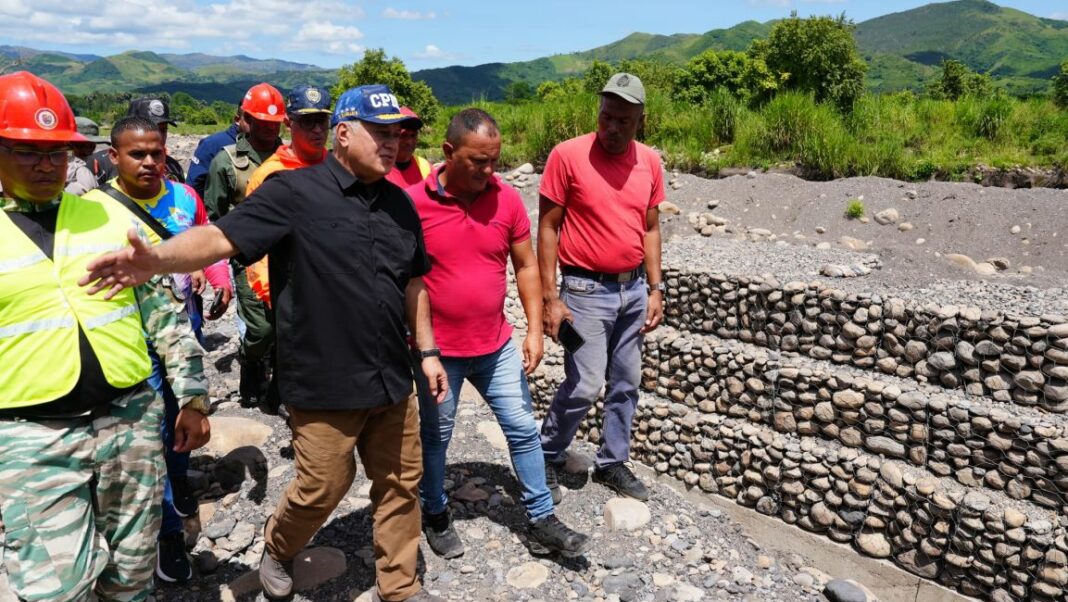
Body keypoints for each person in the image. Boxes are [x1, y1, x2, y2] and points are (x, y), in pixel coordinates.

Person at [82, 84, 449, 602]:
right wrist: (157, 259)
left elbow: (413, 283)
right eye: (380, 132)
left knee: (399, 486)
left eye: (398, 133)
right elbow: (222, 237)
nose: (392, 143)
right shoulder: (292, 192)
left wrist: (428, 352)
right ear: (343, 134)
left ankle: (400, 587)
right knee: (322, 486)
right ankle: (278, 546)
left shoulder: (399, 206)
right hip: (323, 380)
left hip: (393, 375)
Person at [0, 71, 210, 602]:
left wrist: (192, 395)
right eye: (28, 152)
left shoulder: (107, 214)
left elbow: (162, 313)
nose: (48, 165)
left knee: (132, 575)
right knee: (55, 588)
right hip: (33, 436)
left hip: (131, 421)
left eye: (58, 152)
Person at [407, 108, 590, 560]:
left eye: (496, 161)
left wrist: (532, 330)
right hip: (438, 351)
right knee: (437, 436)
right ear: (448, 153)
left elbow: (525, 265)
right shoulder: (412, 203)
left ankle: (541, 517)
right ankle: (434, 510)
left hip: (495, 344)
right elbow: (400, 279)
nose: (490, 171)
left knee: (522, 429)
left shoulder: (505, 200)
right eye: (478, 162)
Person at [83, 115, 233, 583]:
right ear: (114, 157)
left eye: (157, 152)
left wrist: (219, 279)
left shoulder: (184, 196)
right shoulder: (94, 208)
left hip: (180, 333)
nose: (150, 162)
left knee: (183, 420)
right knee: (148, 439)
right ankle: (168, 529)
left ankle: (179, 479)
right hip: (128, 344)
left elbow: (204, 240)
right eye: (137, 154)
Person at [538, 73, 665, 502]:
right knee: (586, 383)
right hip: (585, 290)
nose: (612, 128)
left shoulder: (649, 161)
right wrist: (550, 298)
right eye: (606, 117)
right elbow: (548, 227)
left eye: (623, 121)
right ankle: (547, 452)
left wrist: (655, 288)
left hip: (632, 291)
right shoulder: (567, 156)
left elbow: (650, 228)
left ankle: (613, 462)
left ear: (640, 120)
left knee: (627, 381)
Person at [203, 82, 284, 409]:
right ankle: (250, 360)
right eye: (261, 121)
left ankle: (280, 389)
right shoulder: (226, 162)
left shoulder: (290, 158)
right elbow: (215, 214)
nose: (268, 128)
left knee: (287, 326)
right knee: (262, 328)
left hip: (287, 256)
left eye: (274, 123)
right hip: (248, 259)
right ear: (245, 120)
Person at [243, 84, 333, 313]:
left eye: (322, 121)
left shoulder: (338, 168)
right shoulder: (269, 175)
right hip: (287, 289)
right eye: (307, 121)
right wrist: (270, 295)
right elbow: (256, 243)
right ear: (288, 123)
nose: (317, 130)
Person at [89, 97, 185, 185]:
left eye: (163, 130)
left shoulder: (173, 166)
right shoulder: (98, 164)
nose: (158, 136)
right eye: (149, 129)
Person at [187, 108, 249, 199]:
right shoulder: (211, 144)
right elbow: (194, 185)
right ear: (237, 119)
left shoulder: (269, 145)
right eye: (249, 118)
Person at [384, 106, 430, 188]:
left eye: (413, 135)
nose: (409, 141)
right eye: (403, 135)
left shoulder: (426, 168)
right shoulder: (379, 169)